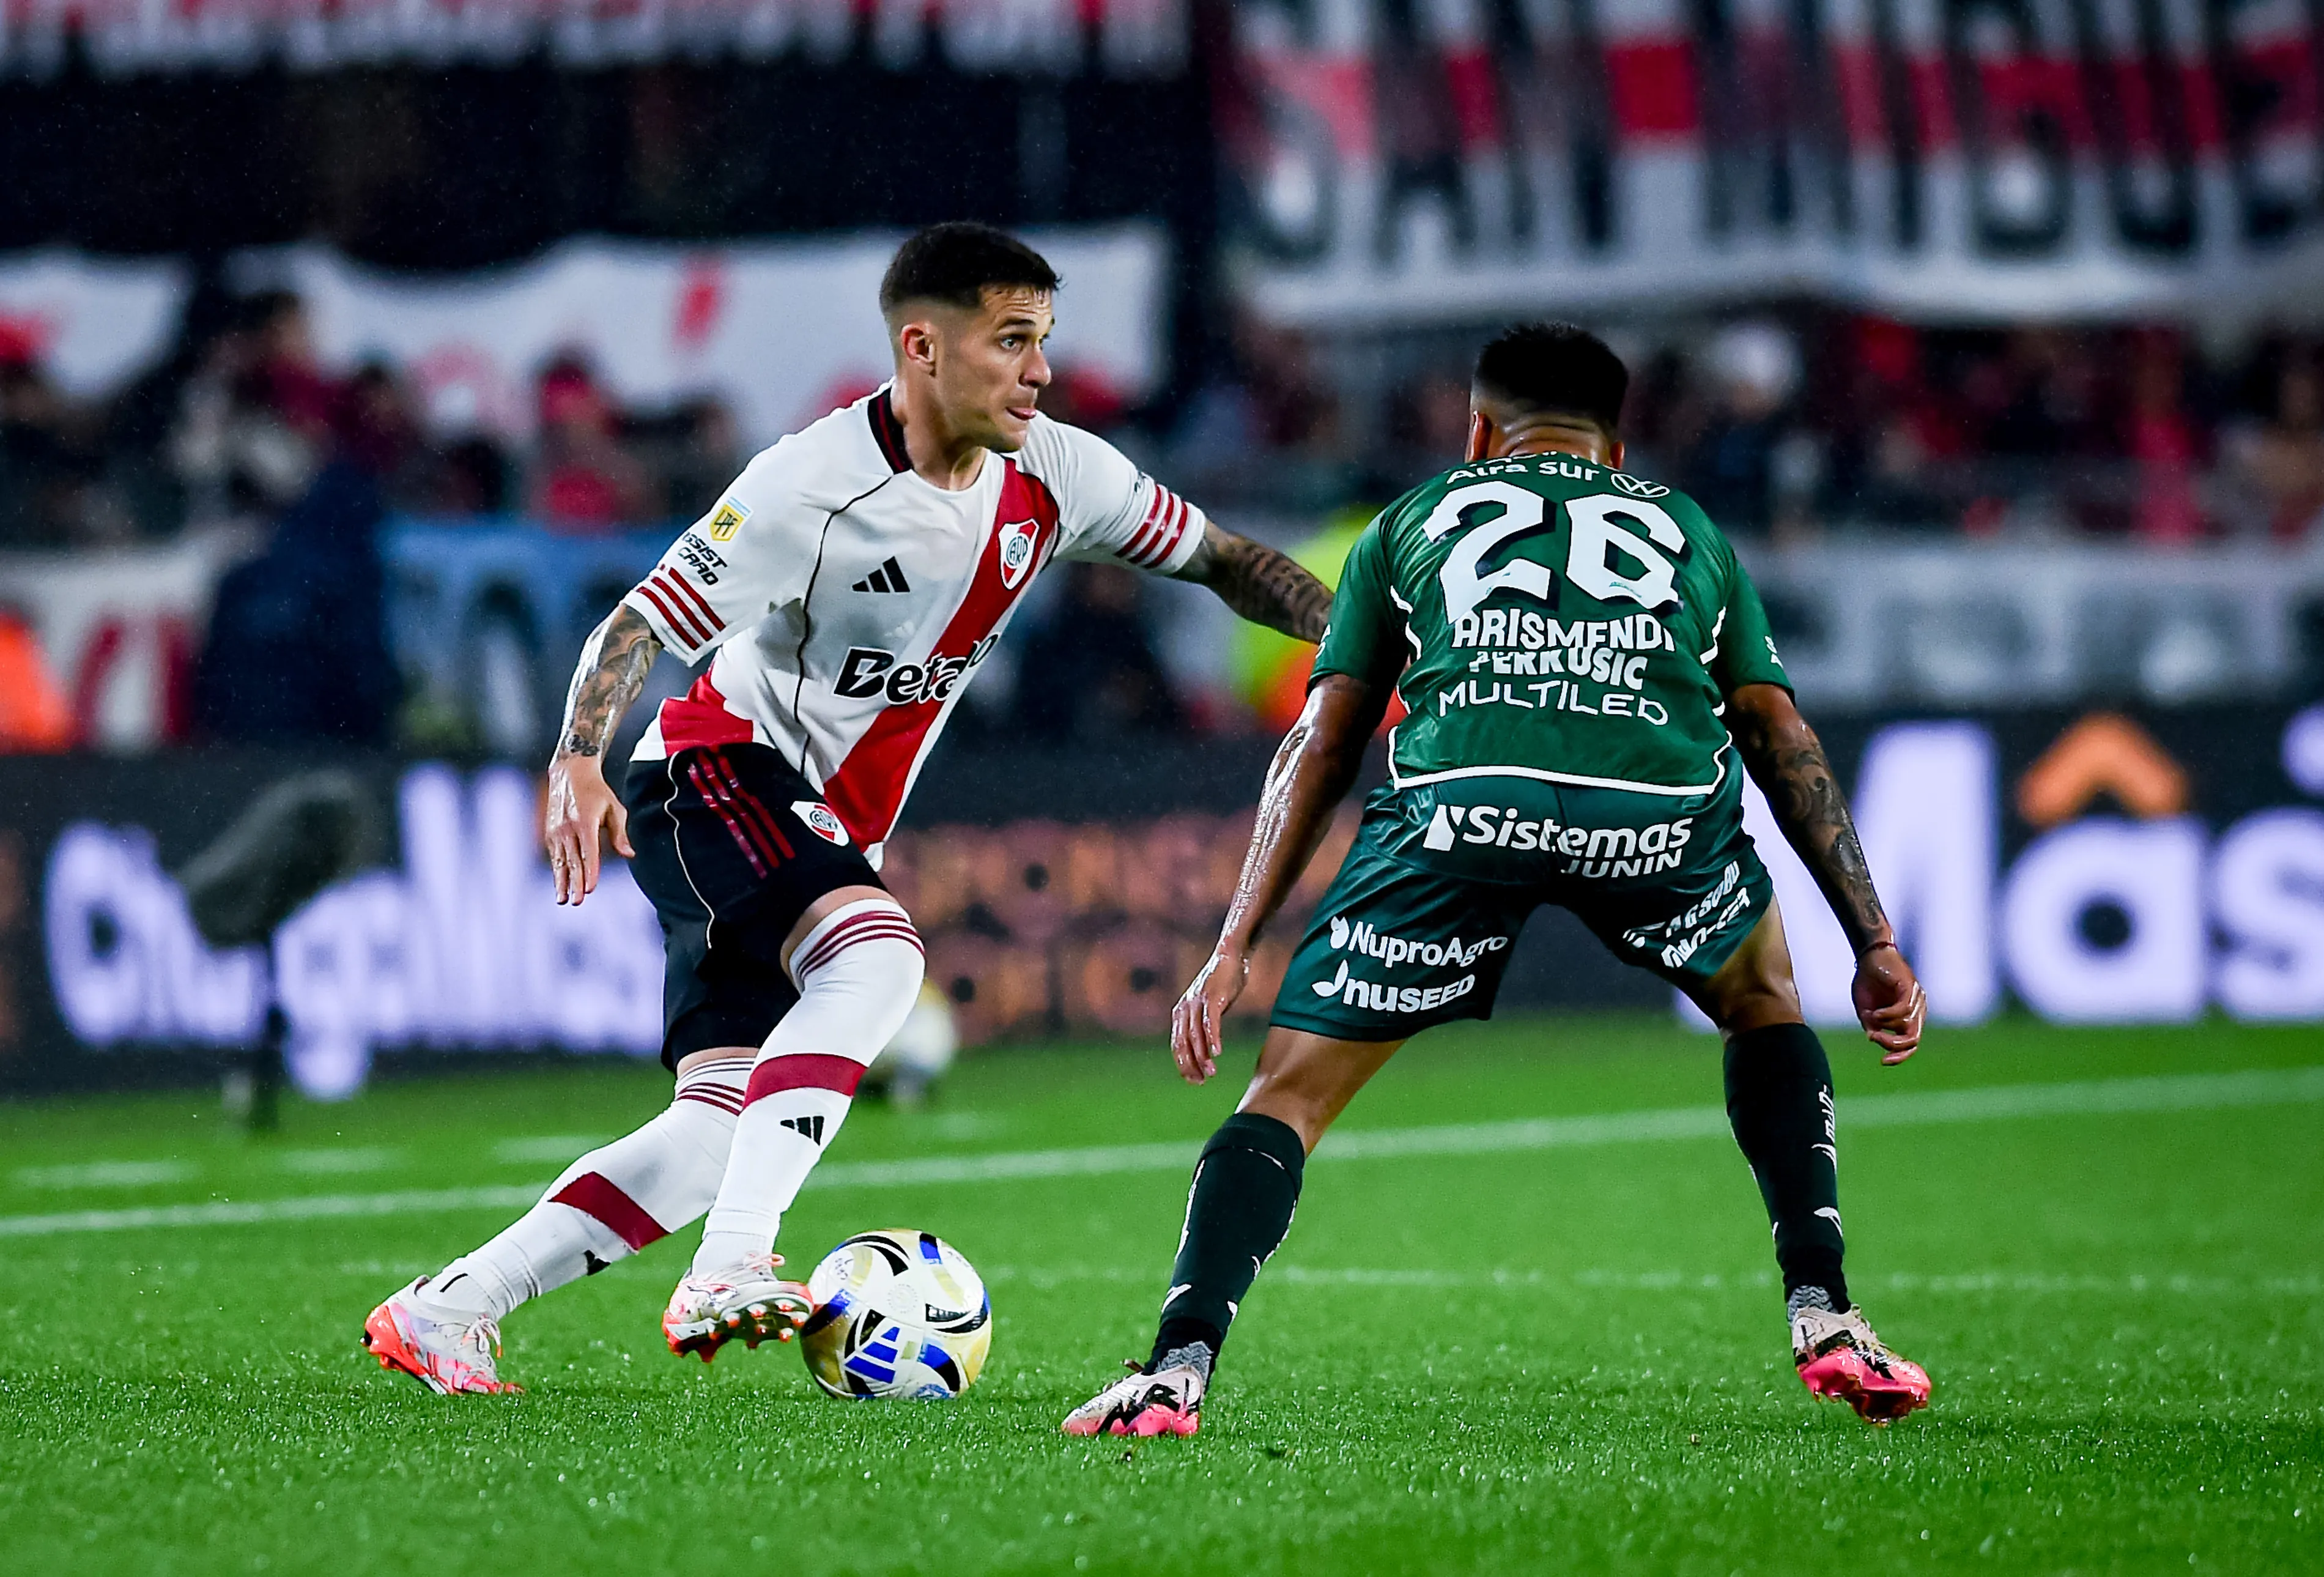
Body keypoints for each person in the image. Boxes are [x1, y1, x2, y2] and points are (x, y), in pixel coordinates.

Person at [361, 223, 1334, 1395]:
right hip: (715, 773)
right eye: (1011, 341)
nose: (1039, 370)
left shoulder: (1059, 474)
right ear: (922, 348)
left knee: (717, 1129)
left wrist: (1354, 633)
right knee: (878, 958)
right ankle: (730, 1265)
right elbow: (636, 625)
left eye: (1045, 342)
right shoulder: (810, 486)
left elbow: (1226, 559)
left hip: (814, 822)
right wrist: (577, 754)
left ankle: (452, 1306)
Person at [1062, 323, 1931, 1438]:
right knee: (1763, 1000)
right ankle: (1826, 1311)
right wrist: (1871, 936)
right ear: (1619, 450)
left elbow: (1324, 740)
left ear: (1477, 433)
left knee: (1283, 1096)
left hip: (1465, 807)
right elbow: (1777, 732)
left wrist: (1234, 944)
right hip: (1652, 817)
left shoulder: (1411, 520)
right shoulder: (1686, 527)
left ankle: (1176, 1368)